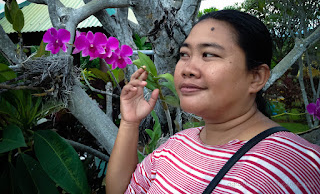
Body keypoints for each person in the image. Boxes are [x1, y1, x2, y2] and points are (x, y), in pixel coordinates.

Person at [105, 10, 320, 194]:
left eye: (208, 54)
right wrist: (130, 122)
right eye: (184, 54)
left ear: (256, 77)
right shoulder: (177, 145)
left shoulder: (293, 166)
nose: (187, 69)